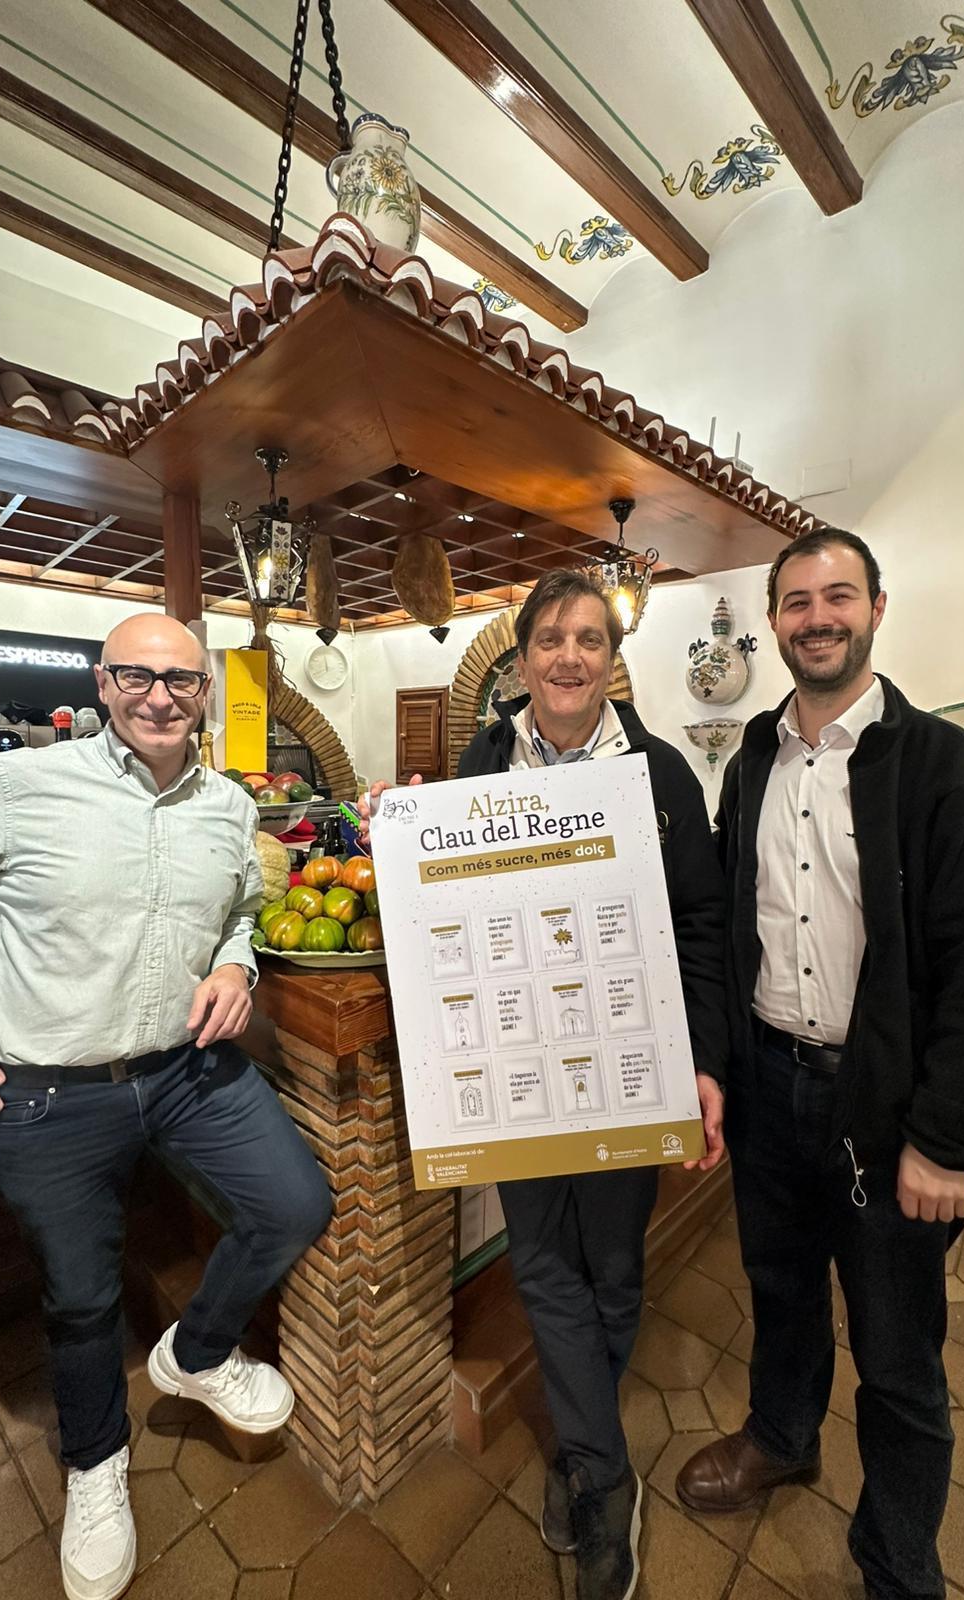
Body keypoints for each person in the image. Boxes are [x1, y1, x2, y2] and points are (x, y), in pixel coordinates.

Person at [0, 614, 331, 1600]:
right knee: (83, 1295)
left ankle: (198, 1351)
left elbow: (240, 910)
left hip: (186, 1072)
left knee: (294, 1204)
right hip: (48, 1095)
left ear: (205, 694)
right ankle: (96, 1460)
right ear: (103, 684)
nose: (159, 696)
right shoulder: (17, 787)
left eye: (181, 680)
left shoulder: (227, 805)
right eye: (137, 675)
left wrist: (236, 965)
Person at [675, 531, 964, 1599]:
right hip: (768, 1082)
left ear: (877, 608)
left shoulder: (948, 770)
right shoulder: (754, 756)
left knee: (898, 1350)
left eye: (838, 596)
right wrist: (714, 1064)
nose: (817, 617)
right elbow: (730, 919)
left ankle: (896, 1558)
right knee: (780, 1290)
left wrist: (950, 1139)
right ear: (773, 621)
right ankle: (783, 1436)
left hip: (884, 1104)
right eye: (796, 601)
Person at [365, 569, 727, 1600]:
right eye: (551, 639)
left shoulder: (661, 774)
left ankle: (579, 1447)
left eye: (590, 639)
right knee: (539, 1263)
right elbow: (444, 900)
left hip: (628, 1067)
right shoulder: (482, 758)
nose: (570, 656)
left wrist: (706, 1063)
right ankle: (604, 1477)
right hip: (516, 1067)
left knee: (612, 1267)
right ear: (522, 659)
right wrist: (396, 832)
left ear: (612, 659)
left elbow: (703, 927)